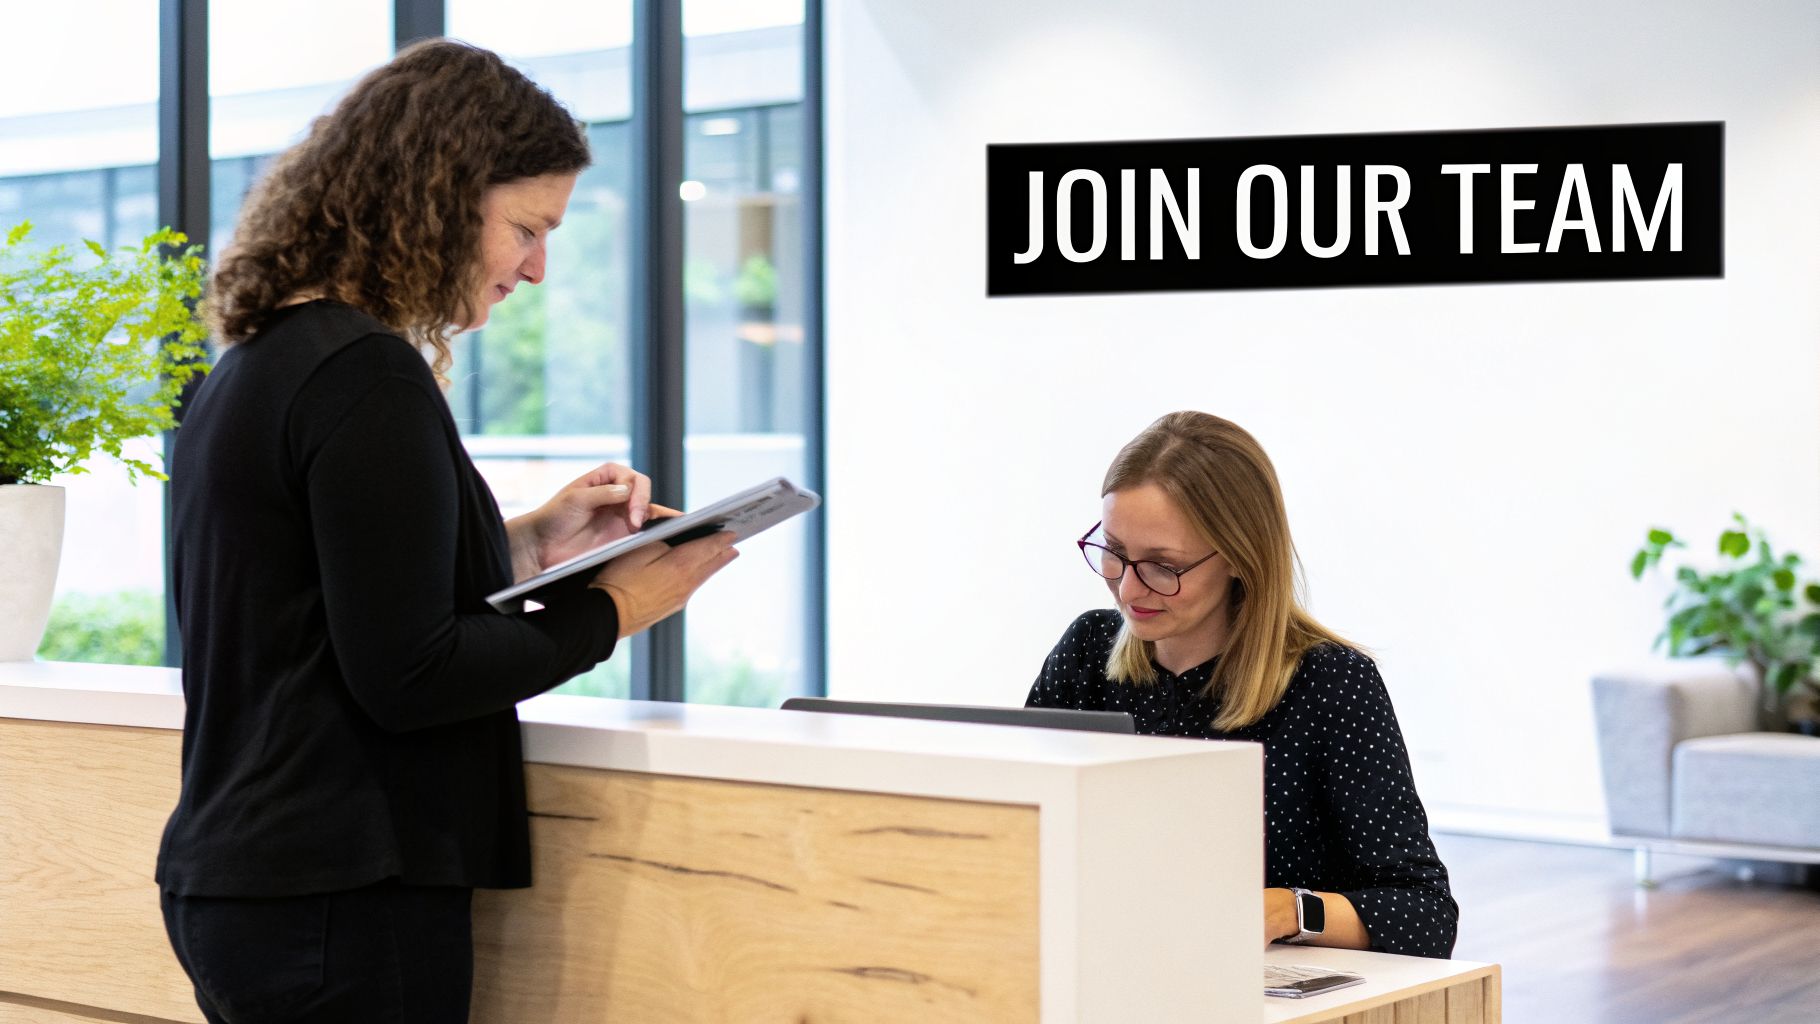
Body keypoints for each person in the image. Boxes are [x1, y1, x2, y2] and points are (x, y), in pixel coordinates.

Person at [155, 40, 738, 1021]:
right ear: (435, 194)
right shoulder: (366, 374)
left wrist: (532, 542)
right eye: (525, 228)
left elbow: (332, 598)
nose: (538, 269)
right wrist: (612, 608)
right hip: (338, 893)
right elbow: (408, 670)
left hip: (258, 879)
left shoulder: (262, 363)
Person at [1026, 411, 1458, 959]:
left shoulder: (1331, 683)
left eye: (1164, 565)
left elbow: (1425, 915)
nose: (1128, 586)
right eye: (1113, 551)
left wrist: (1288, 910)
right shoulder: (1087, 652)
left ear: (1238, 556)